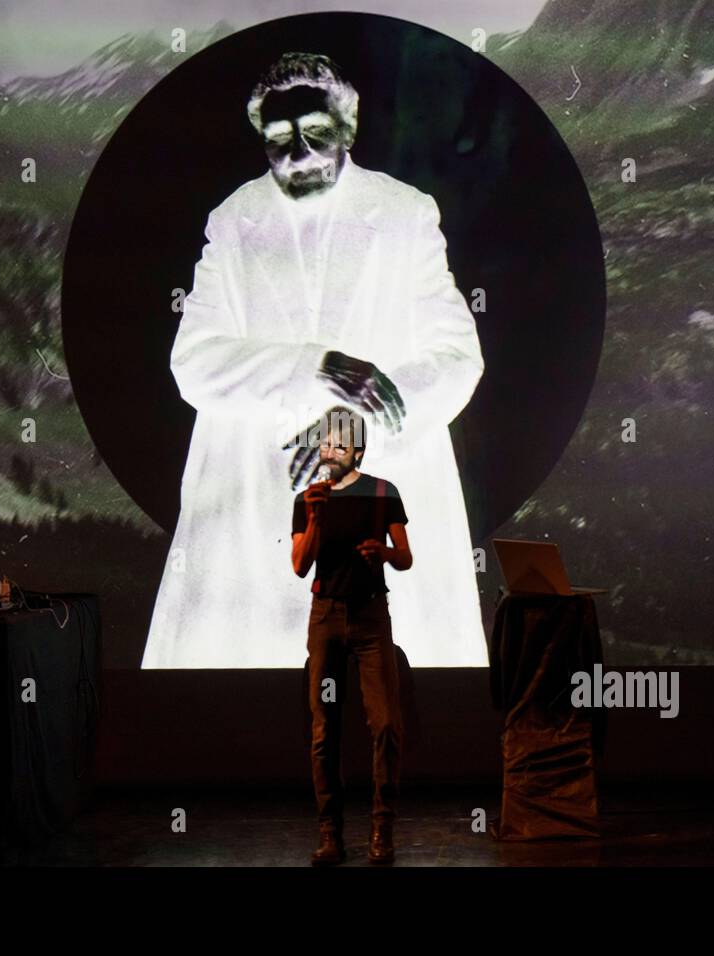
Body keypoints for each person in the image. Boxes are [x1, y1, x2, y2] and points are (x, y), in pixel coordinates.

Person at [142, 51, 485, 668]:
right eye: (278, 139)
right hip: (255, 502)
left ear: (349, 130)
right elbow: (192, 360)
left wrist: (359, 423)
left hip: (381, 489)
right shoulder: (233, 220)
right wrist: (317, 366)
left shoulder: (406, 214)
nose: (297, 153)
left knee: (392, 697)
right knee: (244, 705)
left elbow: (457, 357)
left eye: (316, 134)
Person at [292, 408, 410, 864]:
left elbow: (405, 556)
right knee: (325, 729)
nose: (327, 452)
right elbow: (300, 565)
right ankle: (330, 833)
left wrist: (383, 551)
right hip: (326, 618)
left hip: (369, 616)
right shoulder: (309, 497)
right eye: (323, 444)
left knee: (385, 724)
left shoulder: (383, 492)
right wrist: (317, 520)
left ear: (357, 450)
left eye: (337, 446)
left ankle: (382, 830)